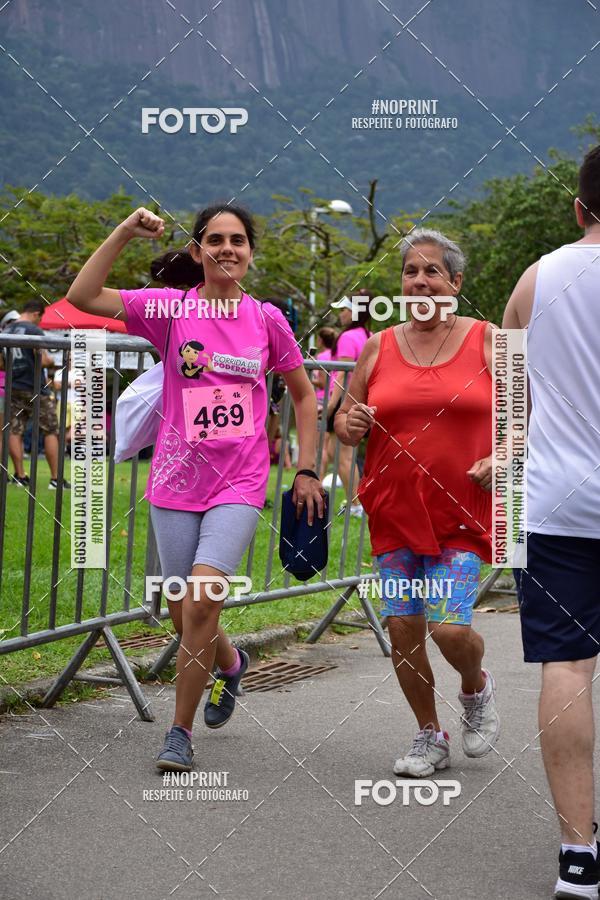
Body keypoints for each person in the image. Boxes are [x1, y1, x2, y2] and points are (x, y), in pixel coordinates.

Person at [67, 204, 325, 772]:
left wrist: (306, 467)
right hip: (175, 482)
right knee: (187, 613)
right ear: (196, 251)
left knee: (203, 598)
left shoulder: (266, 320)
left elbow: (303, 395)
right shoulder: (170, 309)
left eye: (238, 240)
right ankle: (230, 663)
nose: (227, 249)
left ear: (251, 252)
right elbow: (83, 297)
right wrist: (125, 232)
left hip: (241, 480)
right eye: (215, 240)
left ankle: (177, 732)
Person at [335, 228, 500, 777]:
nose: (420, 280)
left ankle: (475, 687)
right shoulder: (379, 345)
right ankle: (430, 735)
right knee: (404, 627)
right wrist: (350, 423)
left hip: (461, 510)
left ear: (455, 282)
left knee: (448, 627)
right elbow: (345, 418)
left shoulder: (488, 338)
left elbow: (528, 413)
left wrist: (504, 458)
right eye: (411, 271)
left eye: (433, 271)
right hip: (395, 510)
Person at [503, 145, 600, 900]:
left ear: (579, 207)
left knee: (566, 668)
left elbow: (510, 411)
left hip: (557, 503)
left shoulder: (538, 278)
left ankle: (577, 858)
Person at [3, 299, 69, 489]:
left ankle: (20, 475)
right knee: (51, 430)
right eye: (40, 318)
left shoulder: (6, 331)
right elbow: (43, 358)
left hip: (13, 386)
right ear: (36, 314)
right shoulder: (33, 330)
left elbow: (2, 362)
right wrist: (50, 362)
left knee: (14, 429)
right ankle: (56, 479)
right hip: (35, 388)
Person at [325, 294, 371, 517]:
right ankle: (357, 500)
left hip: (346, 402)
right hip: (363, 401)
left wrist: (330, 405)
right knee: (341, 454)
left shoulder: (347, 337)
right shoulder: (369, 335)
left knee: (342, 455)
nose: (341, 314)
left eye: (345, 309)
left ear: (356, 312)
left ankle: (356, 504)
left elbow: (341, 376)